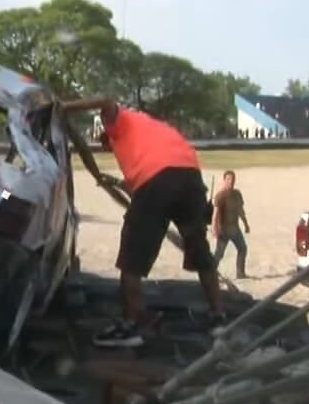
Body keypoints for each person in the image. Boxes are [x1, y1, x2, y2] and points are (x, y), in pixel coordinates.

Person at [63, 97, 225, 348]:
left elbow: (106, 99)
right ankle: (219, 317)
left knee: (132, 257)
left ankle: (132, 325)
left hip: (158, 181)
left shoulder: (120, 122)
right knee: (199, 247)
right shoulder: (151, 129)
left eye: (104, 143)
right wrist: (111, 182)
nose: (106, 148)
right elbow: (142, 190)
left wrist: (63, 107)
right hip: (190, 177)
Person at [211, 170, 252, 279]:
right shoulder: (220, 196)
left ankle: (240, 273)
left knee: (243, 248)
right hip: (224, 230)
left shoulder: (237, 194)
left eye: (233, 179)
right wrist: (214, 229)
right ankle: (210, 274)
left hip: (235, 229)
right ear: (224, 180)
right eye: (228, 179)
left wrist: (246, 224)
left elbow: (240, 210)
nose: (231, 182)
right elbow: (215, 215)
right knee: (219, 254)